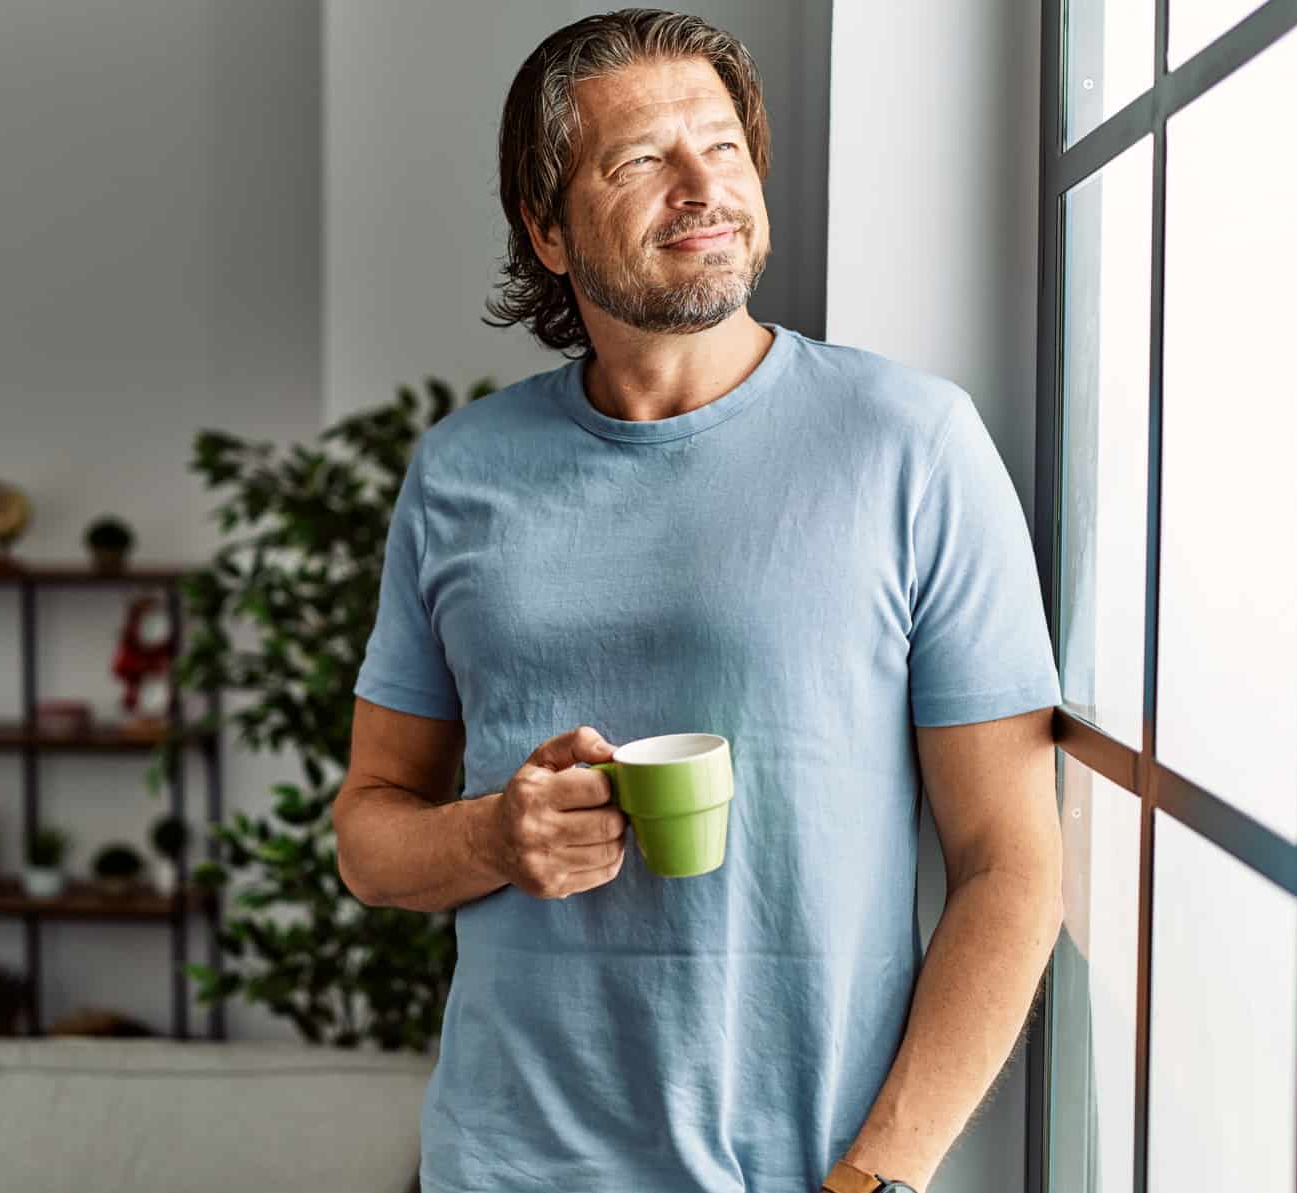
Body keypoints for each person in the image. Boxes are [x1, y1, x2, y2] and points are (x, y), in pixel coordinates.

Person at [333, 10, 1063, 1192]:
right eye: (641, 159)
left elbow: (1010, 865)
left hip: (805, 1169)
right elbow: (371, 836)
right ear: (547, 228)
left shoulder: (912, 443)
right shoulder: (462, 470)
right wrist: (491, 836)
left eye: (722, 147)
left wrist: (879, 1175)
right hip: (506, 1164)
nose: (703, 187)